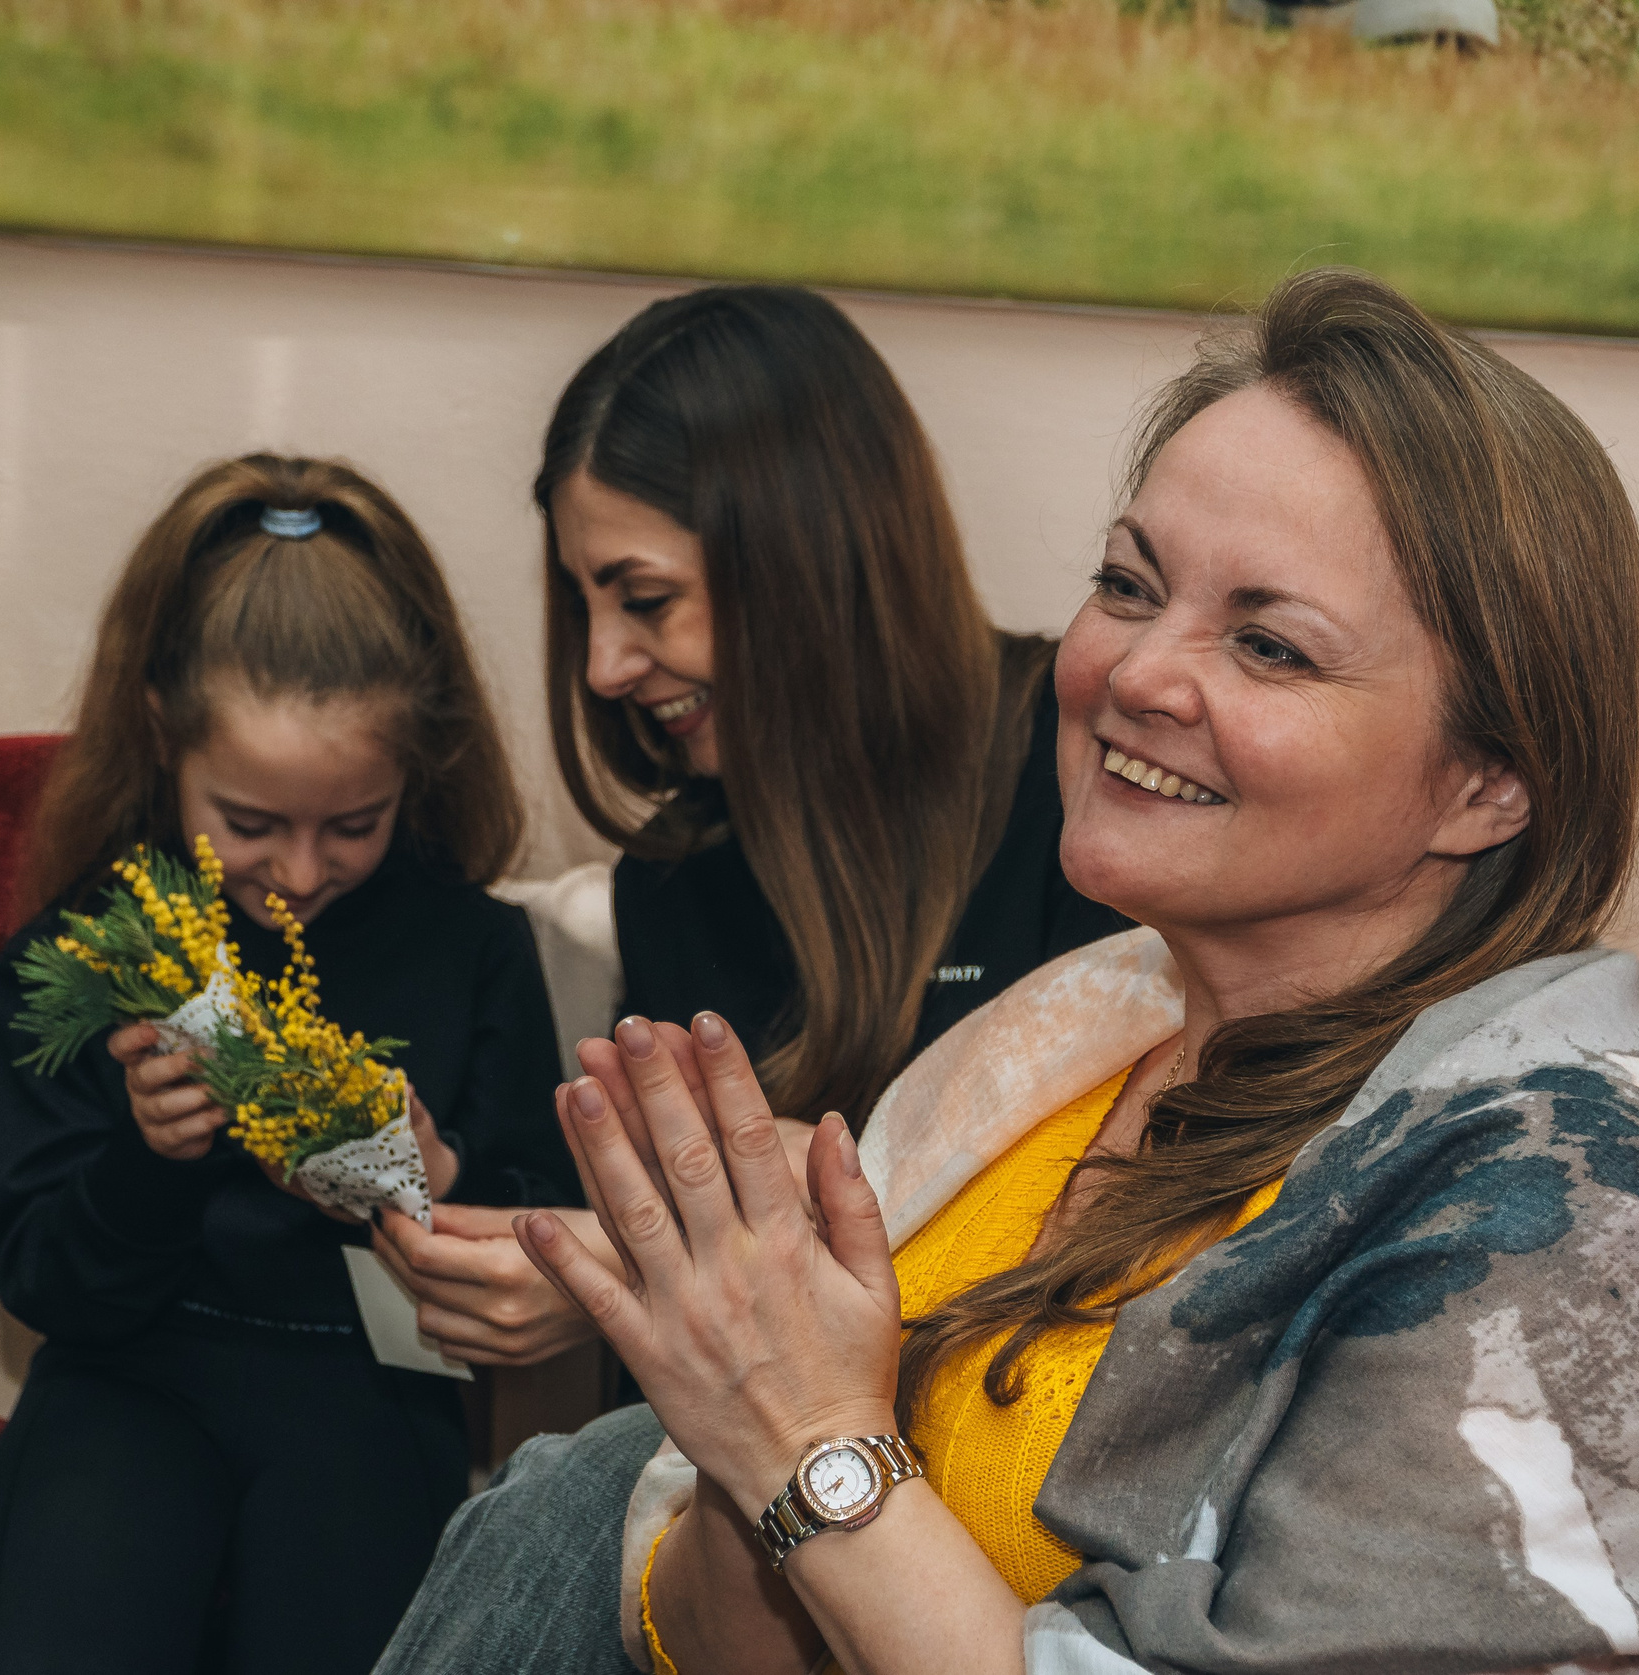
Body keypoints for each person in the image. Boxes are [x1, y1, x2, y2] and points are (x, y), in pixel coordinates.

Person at [375, 268, 1639, 1674]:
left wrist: (806, 1440)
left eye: (1267, 643)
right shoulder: (1067, 1040)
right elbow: (720, 1609)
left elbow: (811, 1473)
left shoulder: (1570, 1219)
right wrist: (734, 1402)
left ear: (1489, 784)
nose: (1136, 670)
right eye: (1129, 584)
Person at [372, 286, 1130, 1372]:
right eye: (585, 603)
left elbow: (1119, 1222)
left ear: (807, 556)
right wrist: (605, 1277)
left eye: (643, 599)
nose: (603, 666)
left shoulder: (1086, 775)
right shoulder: (676, 881)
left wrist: (709, 1247)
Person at [0, 455, 575, 1675]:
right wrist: (151, 1155)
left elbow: (548, 1245)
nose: (299, 874)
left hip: (362, 1400)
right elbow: (46, 1284)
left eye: (354, 822)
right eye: (248, 822)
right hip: (126, 1378)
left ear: (418, 765)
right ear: (157, 733)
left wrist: (440, 1172)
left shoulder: (473, 950)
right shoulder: (92, 947)